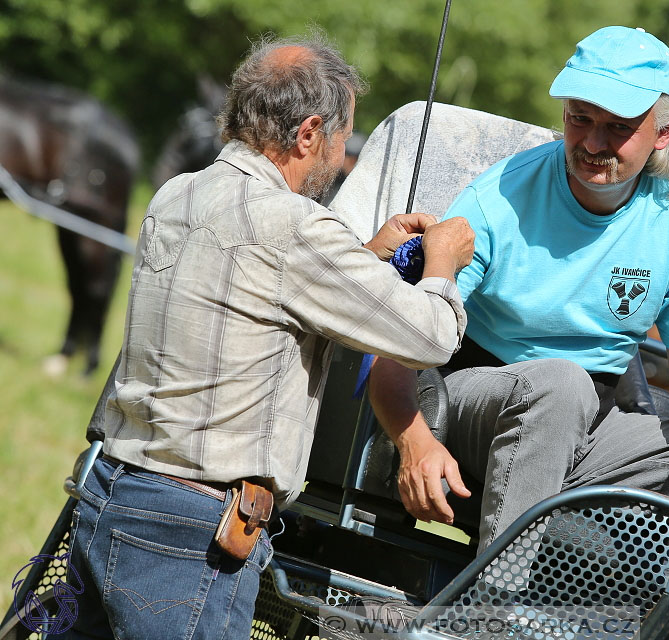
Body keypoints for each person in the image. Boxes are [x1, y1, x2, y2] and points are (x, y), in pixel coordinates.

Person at [369, 26, 669, 624]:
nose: (593, 142)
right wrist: (415, 444)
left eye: (618, 128)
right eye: (579, 119)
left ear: (664, 134)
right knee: (561, 385)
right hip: (472, 401)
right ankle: (489, 616)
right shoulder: (498, 199)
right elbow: (396, 352)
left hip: (591, 423)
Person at [63, 32, 474, 639]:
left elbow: (252, 299)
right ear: (308, 134)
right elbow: (431, 338)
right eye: (340, 138)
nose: (339, 156)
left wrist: (363, 258)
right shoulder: (296, 227)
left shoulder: (178, 194)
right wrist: (442, 262)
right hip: (194, 533)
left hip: (110, 494)